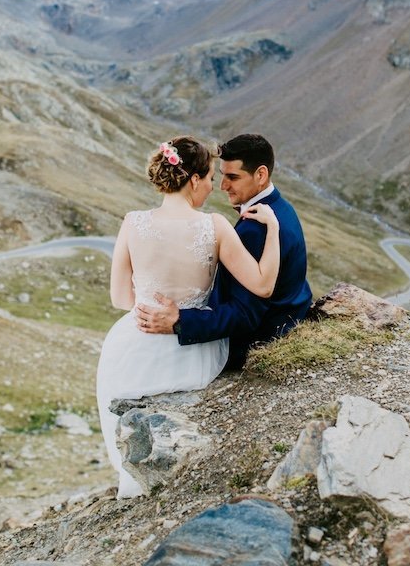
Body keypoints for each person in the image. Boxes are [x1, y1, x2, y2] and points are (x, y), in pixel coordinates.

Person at [95, 136, 280, 498]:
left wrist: (151, 302)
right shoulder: (215, 226)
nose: (214, 186)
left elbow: (120, 298)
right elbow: (263, 285)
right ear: (193, 179)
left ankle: (134, 481)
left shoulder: (133, 223)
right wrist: (273, 229)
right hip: (192, 352)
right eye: (210, 177)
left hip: (131, 350)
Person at [136, 133, 313, 372]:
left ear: (260, 175)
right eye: (221, 176)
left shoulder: (255, 229)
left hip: (256, 339)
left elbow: (245, 315)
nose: (222, 186)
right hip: (288, 313)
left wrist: (180, 321)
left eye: (233, 177)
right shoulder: (279, 206)